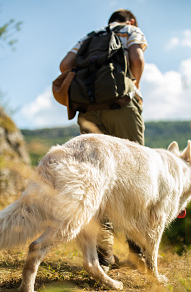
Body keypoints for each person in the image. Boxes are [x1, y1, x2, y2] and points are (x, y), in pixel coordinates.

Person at [59, 9, 148, 272]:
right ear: (130, 20)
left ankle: (103, 255)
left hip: (89, 111)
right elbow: (137, 57)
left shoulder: (89, 38)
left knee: (97, 180)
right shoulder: (130, 30)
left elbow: (64, 66)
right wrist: (136, 85)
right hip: (122, 106)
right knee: (135, 175)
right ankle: (137, 252)